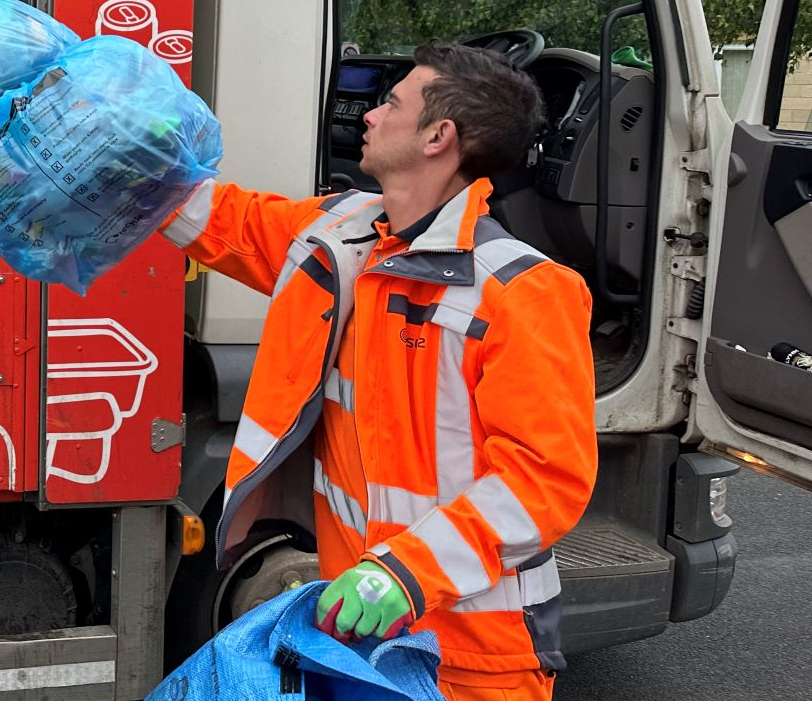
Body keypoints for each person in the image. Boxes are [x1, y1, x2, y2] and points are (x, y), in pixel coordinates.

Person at [159, 41, 597, 701]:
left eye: (392, 103)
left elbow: (543, 479)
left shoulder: (523, 292)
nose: (369, 114)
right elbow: (230, 223)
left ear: (438, 136)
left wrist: (403, 574)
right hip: (368, 643)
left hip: (477, 658)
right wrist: (126, 164)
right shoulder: (343, 233)